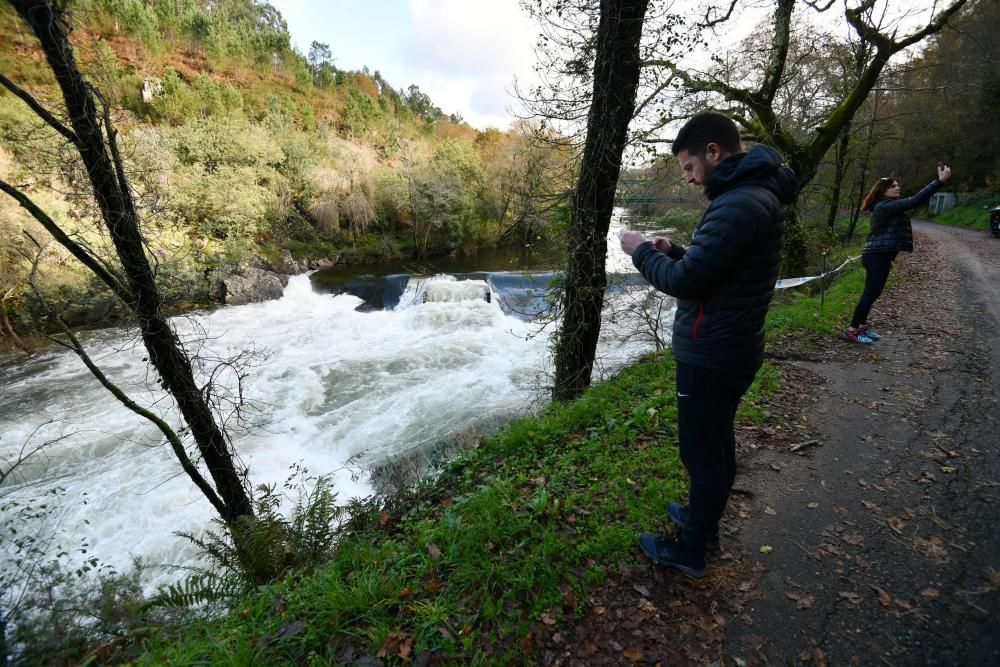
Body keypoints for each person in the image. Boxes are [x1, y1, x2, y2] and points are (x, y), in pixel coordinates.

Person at [619, 111, 795, 578]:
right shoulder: (752, 195)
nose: (692, 179)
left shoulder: (738, 202)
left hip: (713, 353)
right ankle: (704, 522)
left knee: (702, 453)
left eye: (690, 168)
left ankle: (692, 549)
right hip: (731, 345)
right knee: (716, 444)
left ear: (713, 152)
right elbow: (715, 269)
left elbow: (687, 281)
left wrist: (639, 252)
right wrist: (676, 250)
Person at [844, 164, 952, 343]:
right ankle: (852, 331)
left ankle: (861, 327)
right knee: (870, 293)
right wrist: (939, 182)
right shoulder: (885, 206)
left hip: (879, 256)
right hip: (876, 257)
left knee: (873, 293)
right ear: (883, 191)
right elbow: (915, 200)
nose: (898, 187)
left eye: (897, 185)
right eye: (893, 186)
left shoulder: (886, 205)